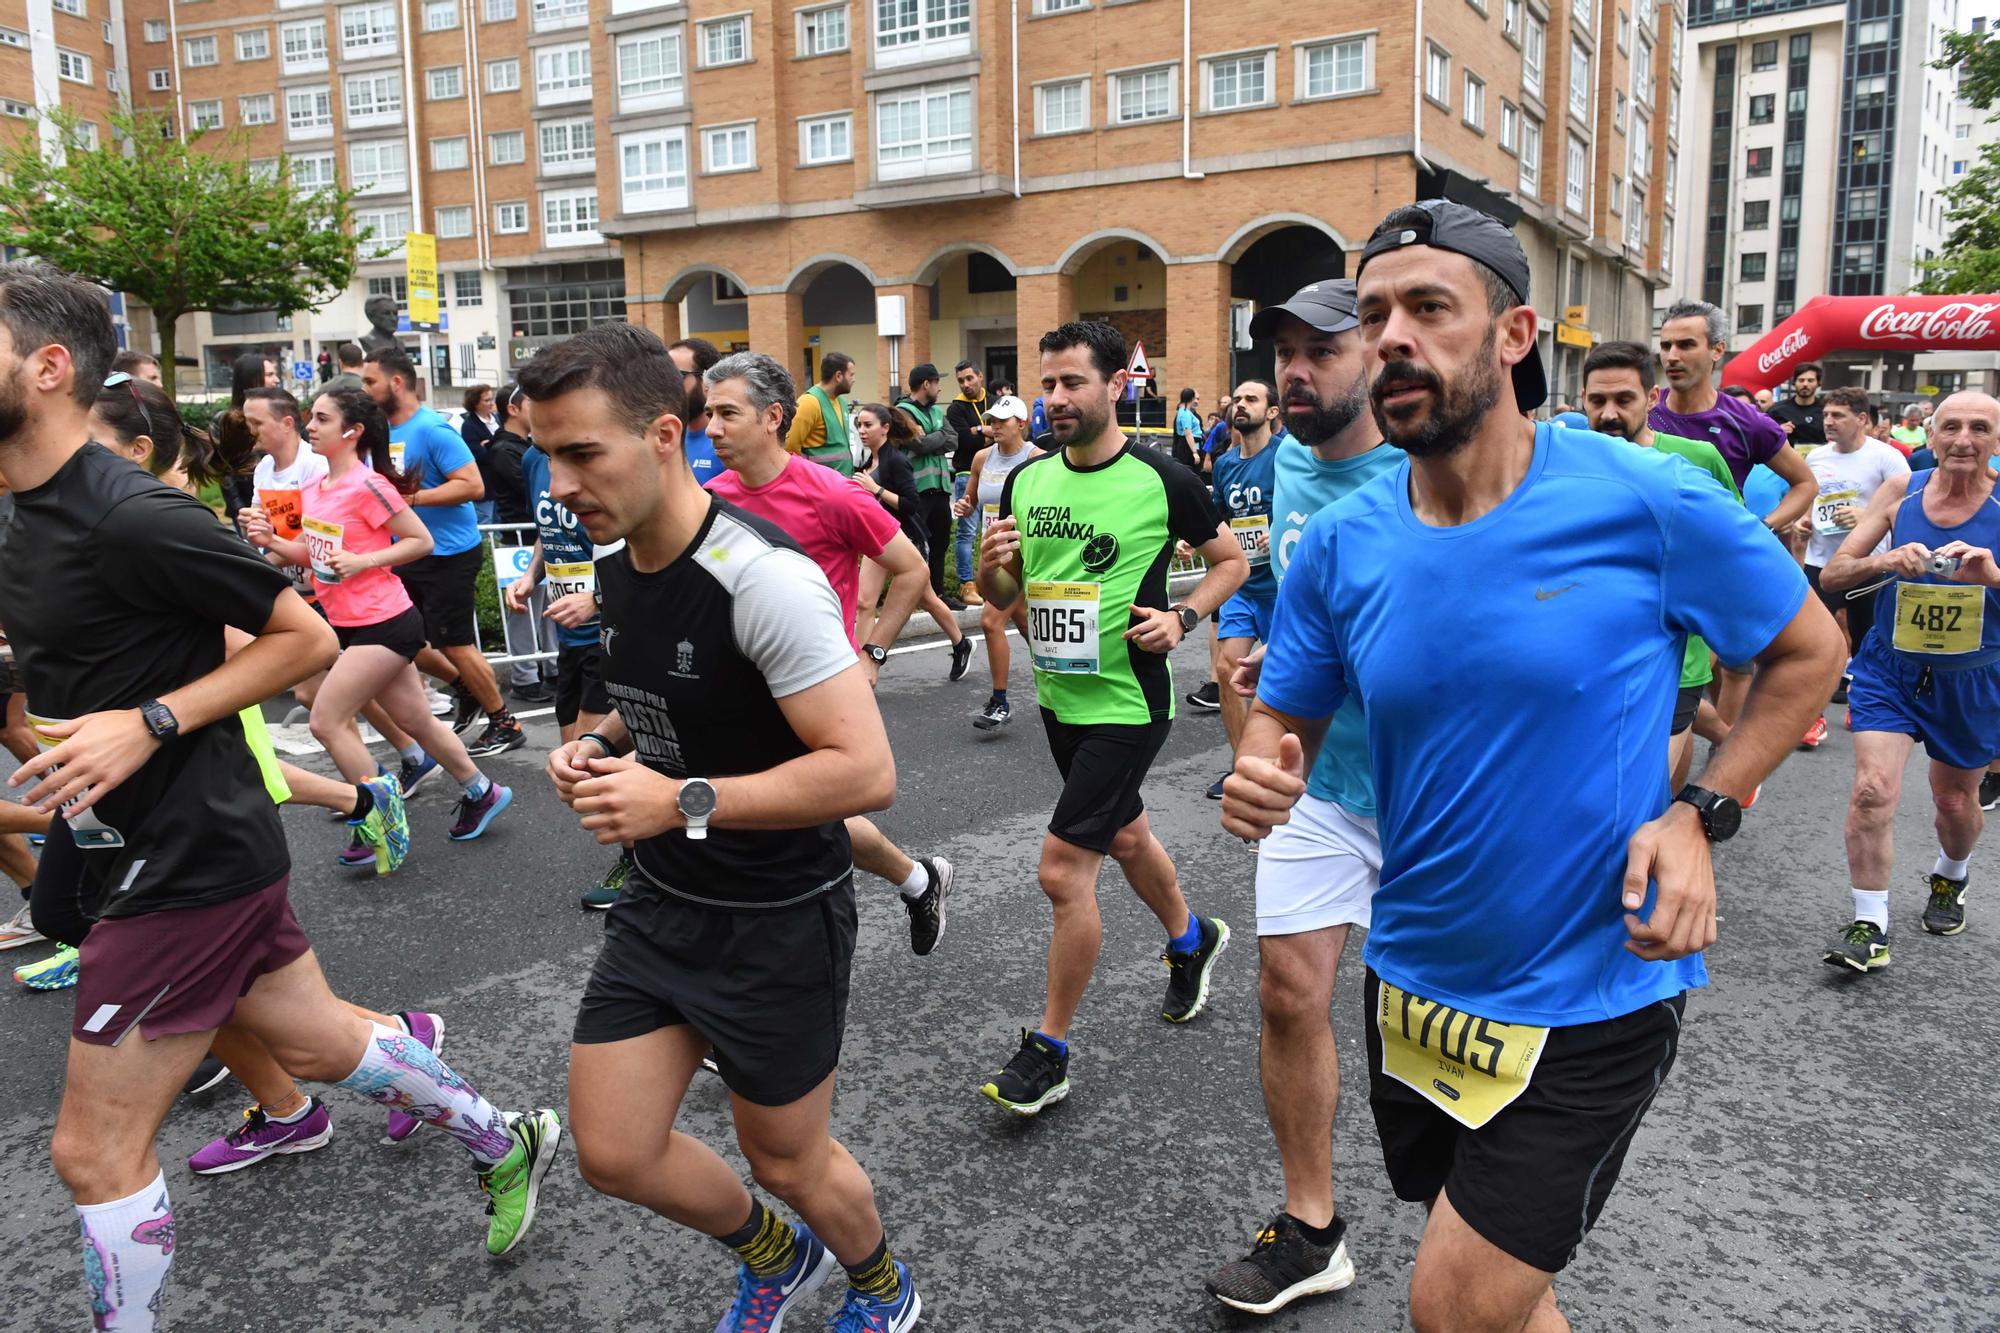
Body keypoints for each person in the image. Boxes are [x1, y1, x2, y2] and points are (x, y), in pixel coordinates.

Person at [1224, 201, 1843, 1333]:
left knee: (1453, 1302)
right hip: (1415, 980)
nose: (1390, 337)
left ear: (1512, 336)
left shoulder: (1641, 496)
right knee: (1506, 1292)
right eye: (1372, 315)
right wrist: (1257, 776)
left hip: (1591, 990)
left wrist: (1701, 810)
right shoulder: (1346, 543)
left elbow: (1809, 649)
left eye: (1426, 308)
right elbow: (1283, 729)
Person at [0, 263, 562, 1328]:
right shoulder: (22, 508)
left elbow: (301, 636)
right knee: (317, 1039)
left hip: (184, 856)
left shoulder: (131, 513)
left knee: (91, 1149)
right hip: (147, 842)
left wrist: (152, 719)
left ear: (48, 364)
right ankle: (505, 1131)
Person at [525, 324, 922, 1333]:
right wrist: (601, 738)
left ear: (665, 434)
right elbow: (656, 682)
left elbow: (864, 770)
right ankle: (773, 1254)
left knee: (786, 1157)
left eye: (581, 453)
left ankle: (884, 1286)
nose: (560, 481)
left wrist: (679, 799)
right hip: (665, 903)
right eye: (545, 454)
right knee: (614, 1151)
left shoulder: (764, 578)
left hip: (775, 915)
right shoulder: (619, 557)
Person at [975, 319, 1249, 1115]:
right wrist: (997, 579)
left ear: (1114, 387)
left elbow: (1230, 560)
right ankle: (1193, 938)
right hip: (1060, 698)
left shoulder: (1164, 480)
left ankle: (1049, 1050)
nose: (1054, 398)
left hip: (1131, 703)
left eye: (1071, 383)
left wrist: (1185, 619)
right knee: (1125, 834)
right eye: (1046, 383)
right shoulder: (1026, 481)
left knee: (1063, 869)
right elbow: (1013, 605)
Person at [1203, 277, 1401, 1318]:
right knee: (1287, 991)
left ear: (1373, 353)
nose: (1294, 370)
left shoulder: (1427, 466)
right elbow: (1280, 582)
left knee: (1435, 1028)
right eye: (1281, 350)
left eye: (1319, 350)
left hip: (1431, 793)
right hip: (1318, 781)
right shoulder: (1279, 460)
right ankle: (1311, 1225)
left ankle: (1489, 1225)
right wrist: (1256, 636)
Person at [705, 352, 957, 957]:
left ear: (771, 417)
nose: (711, 427)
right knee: (784, 821)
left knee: (780, 826)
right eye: (708, 413)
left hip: (817, 689)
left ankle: (764, 1000)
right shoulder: (710, 498)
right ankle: (919, 880)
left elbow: (912, 568)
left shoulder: (831, 493)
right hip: (740, 690)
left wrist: (872, 653)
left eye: (727, 414)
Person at [242, 384, 514, 849]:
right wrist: (269, 541)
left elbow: (419, 541)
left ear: (353, 432)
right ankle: (482, 791)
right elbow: (311, 555)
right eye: (313, 417)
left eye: (322, 419)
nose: (310, 426)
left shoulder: (369, 485)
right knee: (418, 720)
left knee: (325, 719)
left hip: (384, 622)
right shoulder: (316, 484)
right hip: (351, 621)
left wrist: (364, 561)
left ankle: (375, 816)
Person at [1819, 391, 2000, 971]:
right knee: (1873, 789)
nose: (1963, 440)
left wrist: (1992, 576)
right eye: (1950, 428)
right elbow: (1833, 572)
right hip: (1890, 670)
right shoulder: (1904, 492)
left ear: (1996, 439)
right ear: (1932, 436)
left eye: (1979, 428)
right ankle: (1870, 925)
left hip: (1972, 678)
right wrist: (1884, 561)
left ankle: (1952, 876)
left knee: (1953, 799)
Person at [1578, 340, 1743, 791]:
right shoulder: (1568, 460)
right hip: (1595, 656)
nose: (1609, 413)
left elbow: (1733, 553)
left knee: (1638, 795)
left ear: (1652, 399)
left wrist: (1708, 637)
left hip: (1676, 659)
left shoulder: (1696, 459)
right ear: (1582, 401)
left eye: (1623, 399)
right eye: (1598, 401)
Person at [1653, 299, 1818, 737]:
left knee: (1684, 682)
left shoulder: (1744, 420)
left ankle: (1728, 756)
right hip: (1649, 568)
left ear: (1716, 350)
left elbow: (1805, 484)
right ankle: (1728, 751)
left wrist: (1762, 527)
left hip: (1713, 573)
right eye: (1665, 345)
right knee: (1673, 687)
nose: (1672, 356)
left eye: (1686, 344)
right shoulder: (1644, 413)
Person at [362, 347, 524, 755]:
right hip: (407, 555)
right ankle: (463, 688)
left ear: (396, 383)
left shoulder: (433, 429)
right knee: (407, 639)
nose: (365, 390)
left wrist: (411, 501)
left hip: (449, 553)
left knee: (455, 643)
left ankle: (505, 722)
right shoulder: (381, 432)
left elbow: (472, 486)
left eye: (370, 382)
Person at [508, 403, 629, 911]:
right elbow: (549, 527)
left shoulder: (600, 460)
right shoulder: (538, 462)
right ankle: (651, 847)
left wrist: (597, 600)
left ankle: (640, 861)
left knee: (596, 753)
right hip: (569, 637)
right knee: (575, 759)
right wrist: (532, 576)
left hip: (610, 631)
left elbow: (636, 543)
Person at [1794, 388, 1909, 738]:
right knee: (1815, 641)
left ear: (1861, 419)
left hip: (1868, 564)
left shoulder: (1886, 458)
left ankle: (1863, 703)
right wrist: (1805, 519)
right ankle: (1812, 716)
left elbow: (1912, 505)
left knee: (1867, 639)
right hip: (1821, 561)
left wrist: (1867, 515)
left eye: (1837, 416)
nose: (1828, 422)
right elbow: (1814, 498)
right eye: (1826, 415)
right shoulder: (1816, 457)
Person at [1200, 379, 1282, 800]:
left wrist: (1284, 529)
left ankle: (1288, 761)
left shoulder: (1287, 457)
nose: (1240, 404)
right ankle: (1242, 765)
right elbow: (1221, 518)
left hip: (1283, 588)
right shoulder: (1227, 463)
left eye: (1252, 399)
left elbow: (1309, 508)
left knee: (1282, 678)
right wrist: (1194, 538)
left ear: (1271, 412)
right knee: (1229, 671)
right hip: (1243, 587)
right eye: (1236, 399)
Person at [854, 402, 975, 680]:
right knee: (864, 603)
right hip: (877, 538)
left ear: (885, 428)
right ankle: (860, 667)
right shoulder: (866, 462)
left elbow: (911, 504)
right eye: (859, 425)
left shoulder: (896, 460)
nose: (862, 430)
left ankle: (960, 643)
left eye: (868, 425)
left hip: (905, 540)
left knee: (928, 600)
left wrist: (877, 489)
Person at [953, 395, 1040, 730]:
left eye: (1003, 421)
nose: (995, 426)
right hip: (992, 552)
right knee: (1021, 619)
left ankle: (999, 702)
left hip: (1022, 554)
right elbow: (971, 500)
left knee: (991, 621)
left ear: (1021, 423)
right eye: (992, 420)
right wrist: (964, 506)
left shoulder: (1036, 458)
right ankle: (1060, 668)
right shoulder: (981, 457)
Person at [895, 363, 961, 607]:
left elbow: (954, 439)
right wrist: (939, 435)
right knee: (917, 546)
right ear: (926, 384)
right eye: (936, 382)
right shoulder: (902, 412)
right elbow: (918, 445)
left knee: (940, 543)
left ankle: (939, 594)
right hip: (918, 489)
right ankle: (918, 596)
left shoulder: (935, 412)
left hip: (941, 489)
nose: (939, 388)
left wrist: (933, 436)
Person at [946, 360, 991, 605]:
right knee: (967, 532)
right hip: (966, 475)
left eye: (969, 378)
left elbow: (1011, 433)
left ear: (980, 376)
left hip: (997, 476)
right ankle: (966, 585)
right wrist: (987, 432)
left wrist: (976, 432)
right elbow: (962, 442)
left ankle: (992, 582)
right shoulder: (955, 408)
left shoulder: (994, 401)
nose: (966, 384)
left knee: (995, 531)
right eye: (961, 380)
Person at [786, 351, 858, 476]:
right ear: (838, 376)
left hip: (842, 483)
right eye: (851, 375)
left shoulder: (841, 401)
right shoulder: (809, 402)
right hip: (818, 485)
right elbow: (790, 447)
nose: (854, 379)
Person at [668, 336, 724, 485]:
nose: (668, 386)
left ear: (707, 382)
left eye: (677, 376)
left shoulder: (729, 443)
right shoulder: (665, 439)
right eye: (664, 377)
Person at [459, 383, 500, 525]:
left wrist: (489, 445)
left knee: (500, 521)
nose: (491, 403)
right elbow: (478, 455)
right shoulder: (469, 426)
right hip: (485, 484)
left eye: (491, 399)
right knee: (486, 521)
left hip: (500, 483)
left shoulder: (498, 420)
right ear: (475, 403)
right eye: (486, 400)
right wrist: (493, 447)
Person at [1767, 362, 1827, 447]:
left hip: (1820, 459)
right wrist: (1778, 431)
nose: (1805, 384)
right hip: (1786, 459)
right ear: (1794, 382)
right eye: (1801, 380)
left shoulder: (1827, 410)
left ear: (1818, 383)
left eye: (1810, 380)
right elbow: (1763, 438)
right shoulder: (1777, 410)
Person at [1175, 387, 1205, 473]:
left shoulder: (1183, 411)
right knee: (1192, 471)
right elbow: (1188, 433)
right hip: (1189, 446)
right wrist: (1194, 452)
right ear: (1191, 398)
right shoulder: (1185, 413)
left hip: (1190, 443)